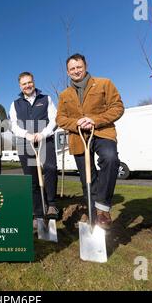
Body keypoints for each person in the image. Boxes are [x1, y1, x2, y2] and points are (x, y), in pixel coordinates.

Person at [56, 53, 124, 229]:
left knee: (110, 159)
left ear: (85, 66)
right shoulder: (65, 94)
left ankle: (102, 207)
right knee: (87, 178)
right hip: (78, 137)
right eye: (72, 68)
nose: (76, 71)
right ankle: (93, 217)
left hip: (102, 132)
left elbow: (117, 107)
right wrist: (76, 122)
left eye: (79, 67)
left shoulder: (104, 83)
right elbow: (60, 119)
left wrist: (95, 120)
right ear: (67, 71)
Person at [9, 72, 59, 229]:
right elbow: (14, 125)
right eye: (24, 84)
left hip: (45, 140)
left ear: (33, 82)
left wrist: (42, 134)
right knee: (31, 178)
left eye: (29, 82)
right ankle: (37, 213)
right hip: (26, 142)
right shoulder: (15, 104)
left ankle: (51, 204)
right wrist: (27, 135)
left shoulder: (46, 99)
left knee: (50, 169)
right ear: (20, 86)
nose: (27, 85)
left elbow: (54, 119)